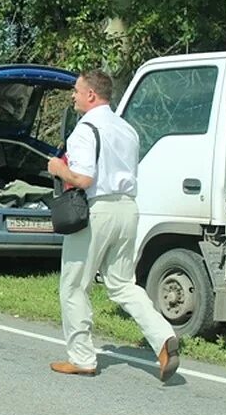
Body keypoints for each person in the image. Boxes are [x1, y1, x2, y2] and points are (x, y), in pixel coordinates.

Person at [46, 69, 180, 382]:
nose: (73, 96)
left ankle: (81, 357)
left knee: (74, 285)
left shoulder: (84, 130)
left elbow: (83, 179)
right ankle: (163, 339)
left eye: (77, 91)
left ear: (91, 95)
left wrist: (57, 168)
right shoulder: (127, 129)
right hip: (128, 209)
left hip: (98, 210)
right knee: (121, 284)